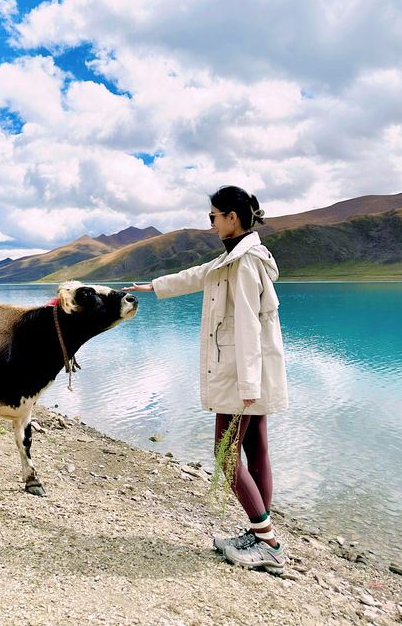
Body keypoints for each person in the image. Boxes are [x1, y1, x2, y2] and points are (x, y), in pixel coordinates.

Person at [123, 185, 288, 574]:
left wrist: (247, 387)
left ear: (233, 217)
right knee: (255, 447)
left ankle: (269, 544)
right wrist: (155, 285)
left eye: (213, 216)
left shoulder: (245, 263)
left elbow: (248, 326)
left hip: (241, 374)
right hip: (250, 372)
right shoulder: (235, 256)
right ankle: (257, 533)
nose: (210, 223)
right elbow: (199, 275)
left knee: (225, 453)